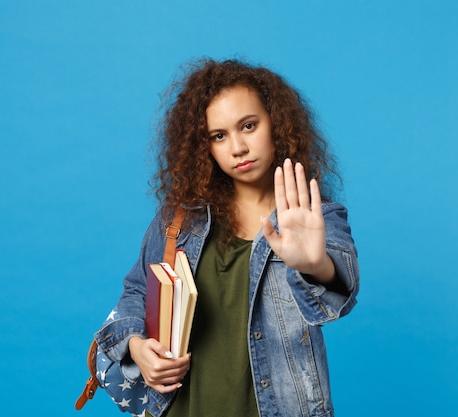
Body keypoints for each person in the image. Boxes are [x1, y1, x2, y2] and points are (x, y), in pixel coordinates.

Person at [95, 58, 359, 417]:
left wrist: (315, 266)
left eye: (248, 125)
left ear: (276, 124)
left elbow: (341, 287)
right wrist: (139, 348)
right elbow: (137, 293)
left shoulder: (316, 217)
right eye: (219, 136)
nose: (237, 147)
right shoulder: (179, 221)